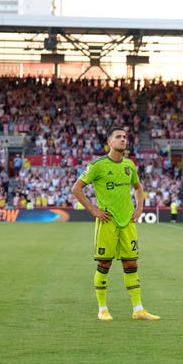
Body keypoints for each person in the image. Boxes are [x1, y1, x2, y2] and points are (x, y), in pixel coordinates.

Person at [71, 126, 160, 321]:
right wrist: (94, 210)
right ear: (109, 142)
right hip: (107, 222)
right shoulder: (98, 165)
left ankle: (138, 310)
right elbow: (76, 188)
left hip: (127, 222)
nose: (122, 140)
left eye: (125, 137)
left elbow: (138, 187)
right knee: (104, 263)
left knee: (131, 263)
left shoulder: (129, 165)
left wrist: (139, 208)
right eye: (118, 137)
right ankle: (102, 308)